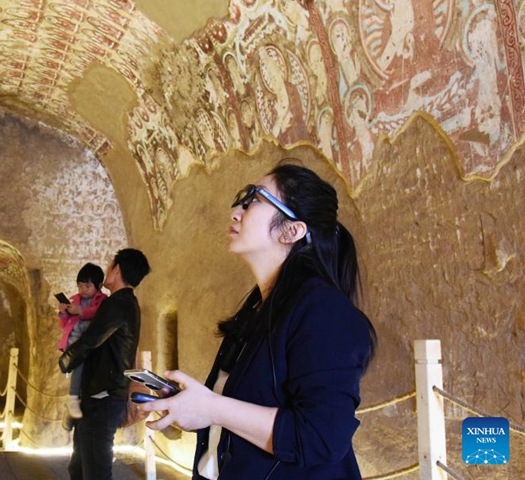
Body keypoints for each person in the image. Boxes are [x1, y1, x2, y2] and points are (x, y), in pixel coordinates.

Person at [142, 162, 378, 478]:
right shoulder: (259, 308)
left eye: (254, 200)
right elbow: (242, 413)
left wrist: (211, 407)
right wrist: (193, 407)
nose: (236, 212)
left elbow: (322, 437)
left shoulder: (324, 311)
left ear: (291, 230)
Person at [58, 248, 151, 480]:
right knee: (80, 467)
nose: (107, 270)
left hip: (103, 397)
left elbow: (91, 340)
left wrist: (66, 360)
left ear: (117, 269)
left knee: (95, 471)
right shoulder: (123, 302)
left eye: (110, 266)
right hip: (100, 395)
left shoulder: (119, 303)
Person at [57, 263, 108, 419]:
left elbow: (98, 312)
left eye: (87, 286)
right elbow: (64, 325)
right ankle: (73, 398)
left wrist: (80, 311)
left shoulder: (102, 300)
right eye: (80, 286)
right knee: (79, 365)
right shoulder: (74, 299)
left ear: (99, 286)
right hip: (75, 341)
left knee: (99, 362)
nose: (83, 290)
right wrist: (63, 313)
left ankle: (99, 389)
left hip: (92, 341)